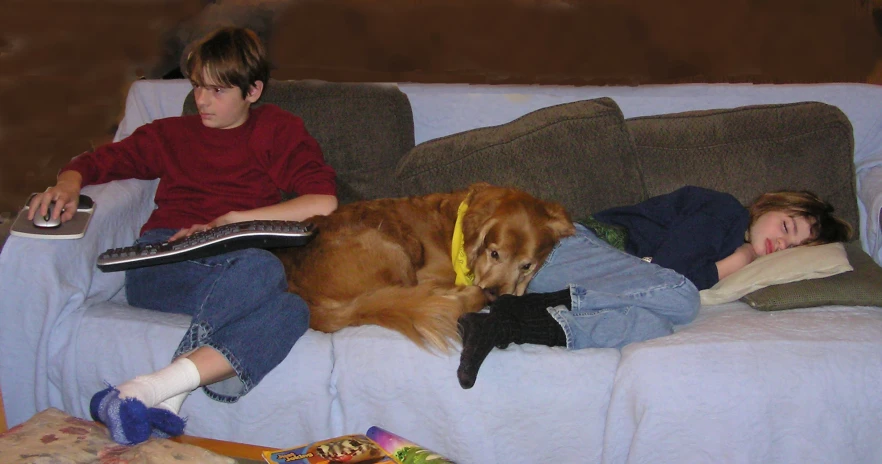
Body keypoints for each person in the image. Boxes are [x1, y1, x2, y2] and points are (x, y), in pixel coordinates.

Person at [28, 27, 338, 444]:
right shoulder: (172, 134)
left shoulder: (277, 130)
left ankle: (151, 391)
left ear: (254, 90)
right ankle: (165, 394)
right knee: (265, 268)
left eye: (218, 90)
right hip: (164, 261)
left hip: (238, 264)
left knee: (294, 310)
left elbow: (323, 201)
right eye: (197, 88)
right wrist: (68, 183)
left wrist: (232, 220)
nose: (202, 102)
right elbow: (99, 161)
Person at [457, 186, 853, 389]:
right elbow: (672, 272)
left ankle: (502, 325)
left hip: (547, 278)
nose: (781, 244)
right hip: (555, 248)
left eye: (792, 247)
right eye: (786, 226)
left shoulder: (732, 232)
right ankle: (512, 312)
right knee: (681, 301)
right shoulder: (724, 213)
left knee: (653, 327)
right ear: (767, 205)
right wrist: (739, 261)